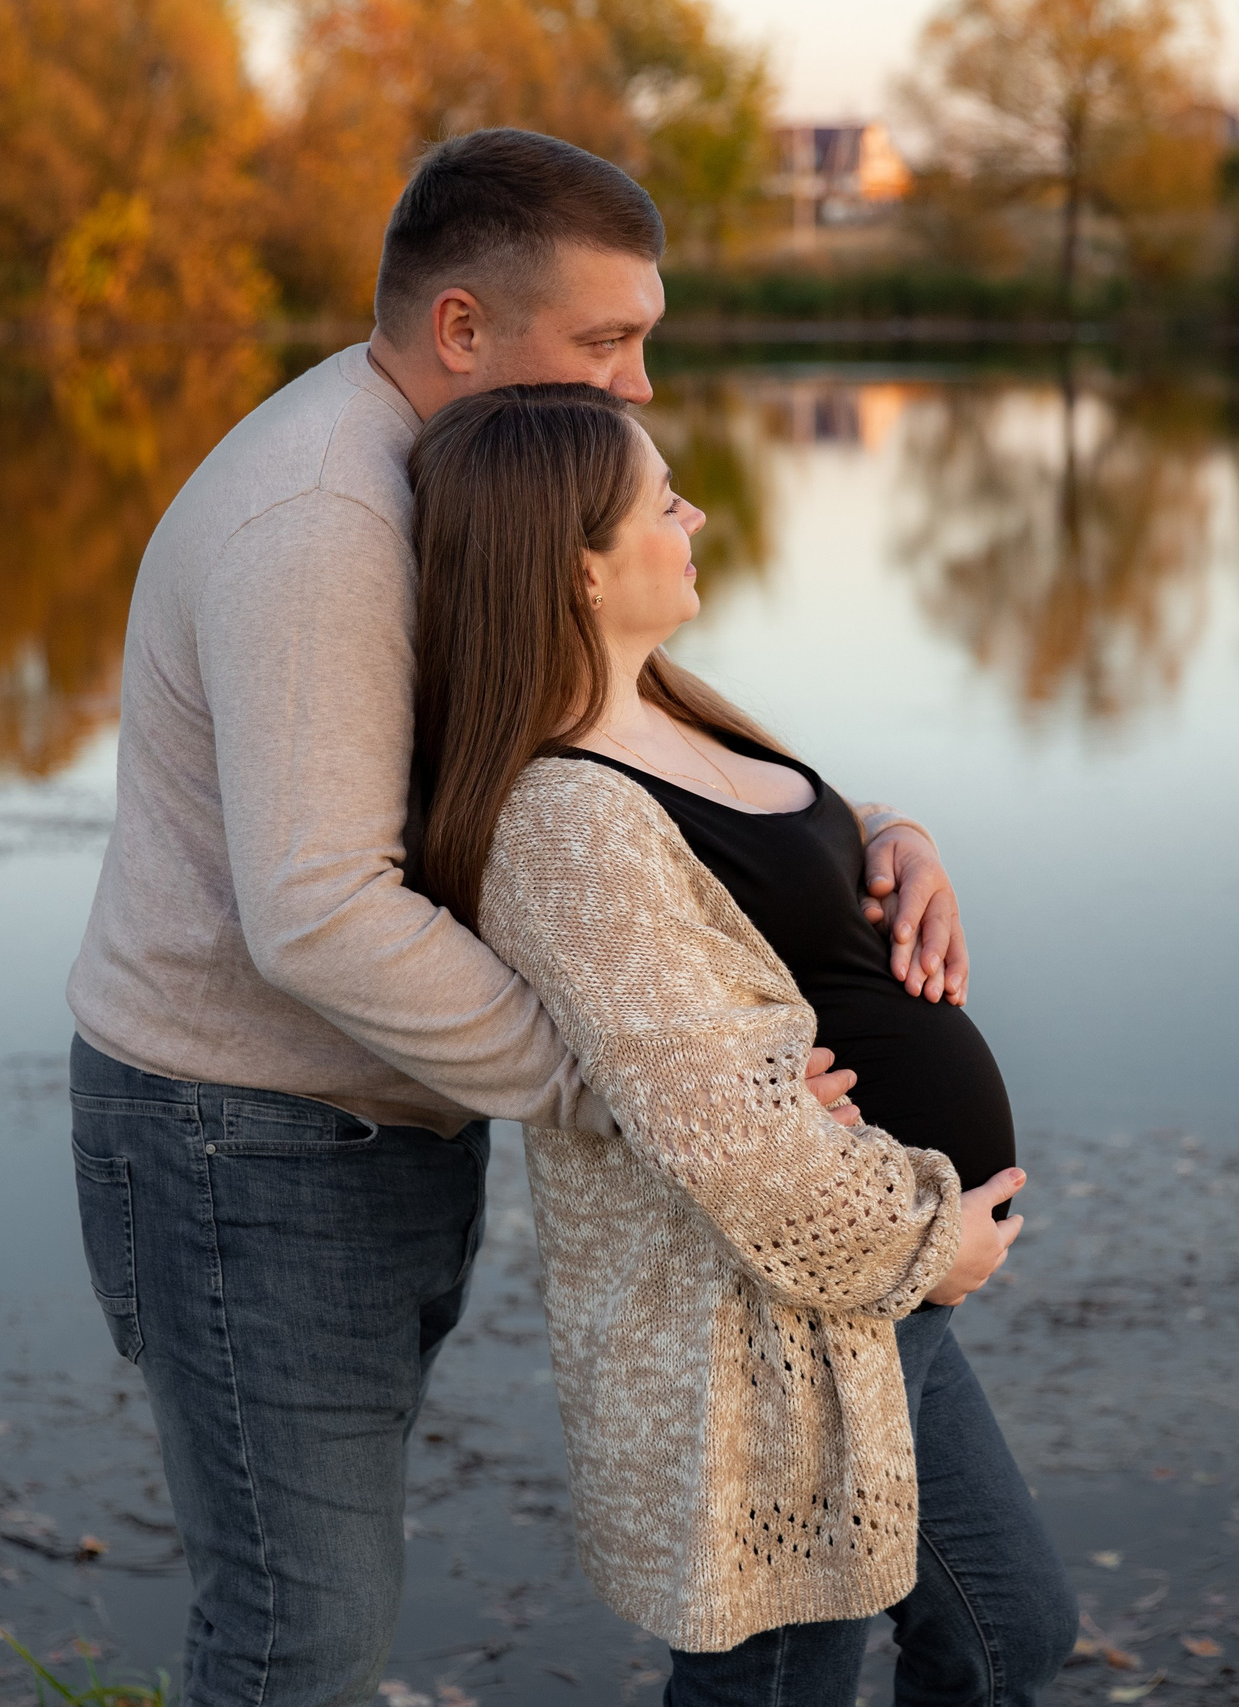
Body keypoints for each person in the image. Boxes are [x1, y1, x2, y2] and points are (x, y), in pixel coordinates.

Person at [63, 130, 970, 1704]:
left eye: (645, 343)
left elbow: (616, 728)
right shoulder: (322, 525)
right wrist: (630, 1089)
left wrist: (878, 827)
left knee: (321, 1614)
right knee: (304, 1632)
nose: (635, 391)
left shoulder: (464, 481)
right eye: (607, 342)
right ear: (462, 328)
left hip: (372, 1119)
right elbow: (325, 916)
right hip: (248, 1143)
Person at [403, 380, 1078, 1706]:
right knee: (791, 1686)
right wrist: (940, 1244)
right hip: (768, 1337)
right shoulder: (562, 821)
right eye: (663, 501)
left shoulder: (670, 704)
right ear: (579, 568)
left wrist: (901, 837)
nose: (695, 511)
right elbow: (733, 1142)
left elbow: (777, 859)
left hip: (866, 1310)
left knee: (1009, 1635)